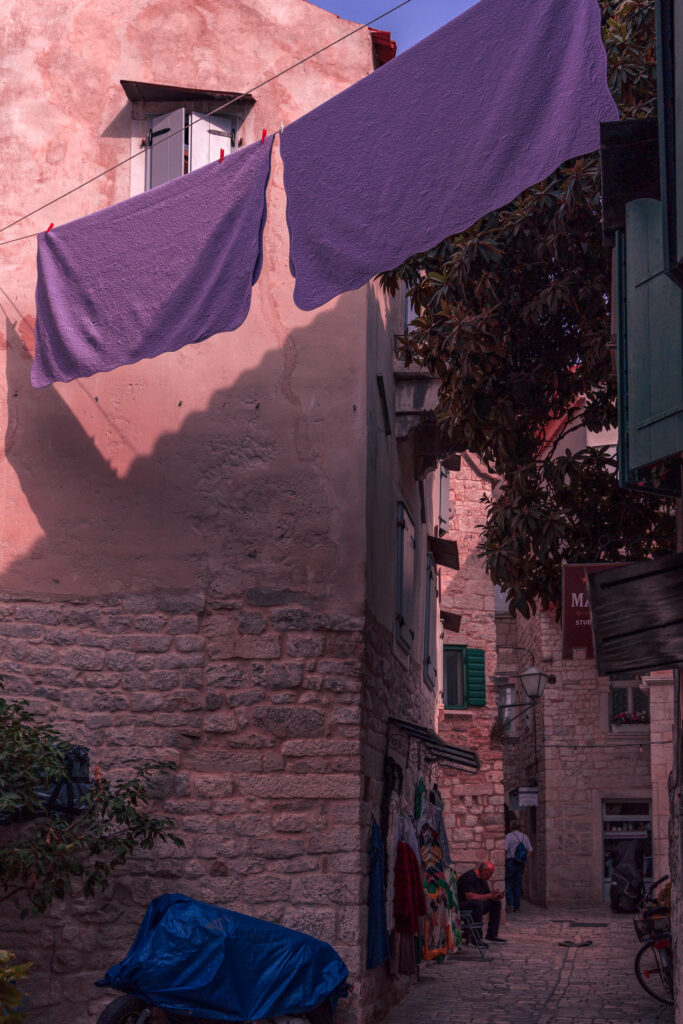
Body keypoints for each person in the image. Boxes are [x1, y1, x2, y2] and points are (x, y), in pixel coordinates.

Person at [456, 861, 506, 944]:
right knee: (477, 903)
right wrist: (489, 896)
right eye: (489, 874)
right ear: (483, 871)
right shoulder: (469, 877)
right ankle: (476, 937)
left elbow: (487, 895)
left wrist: (495, 897)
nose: (490, 876)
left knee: (496, 904)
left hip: (475, 906)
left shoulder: (483, 879)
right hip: (461, 905)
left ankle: (491, 935)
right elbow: (469, 896)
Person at [504, 819, 533, 912]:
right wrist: (523, 858)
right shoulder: (525, 837)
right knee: (517, 883)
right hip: (520, 863)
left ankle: (510, 903)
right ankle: (517, 906)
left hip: (510, 861)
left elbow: (505, 849)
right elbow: (531, 850)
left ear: (511, 827)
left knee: (506, 882)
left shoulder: (509, 836)